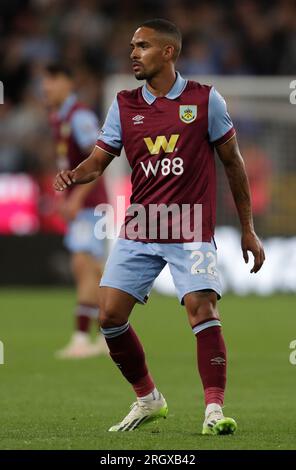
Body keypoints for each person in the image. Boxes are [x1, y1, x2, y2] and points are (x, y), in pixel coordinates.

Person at [54, 19, 265, 434]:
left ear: (168, 52)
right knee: (110, 316)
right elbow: (99, 160)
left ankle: (214, 411)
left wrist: (248, 227)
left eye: (143, 46)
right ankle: (149, 399)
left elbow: (233, 164)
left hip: (190, 229)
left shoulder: (206, 101)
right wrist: (74, 174)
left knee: (201, 309)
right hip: (140, 226)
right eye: (132, 45)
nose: (133, 53)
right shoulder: (124, 104)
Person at [42, 63, 109, 358]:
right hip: (85, 204)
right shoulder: (60, 116)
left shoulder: (79, 115)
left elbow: (97, 160)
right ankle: (111, 335)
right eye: (44, 81)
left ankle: (82, 338)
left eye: (52, 80)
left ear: (68, 82)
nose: (46, 87)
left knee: (83, 266)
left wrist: (77, 198)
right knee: (93, 269)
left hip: (91, 204)